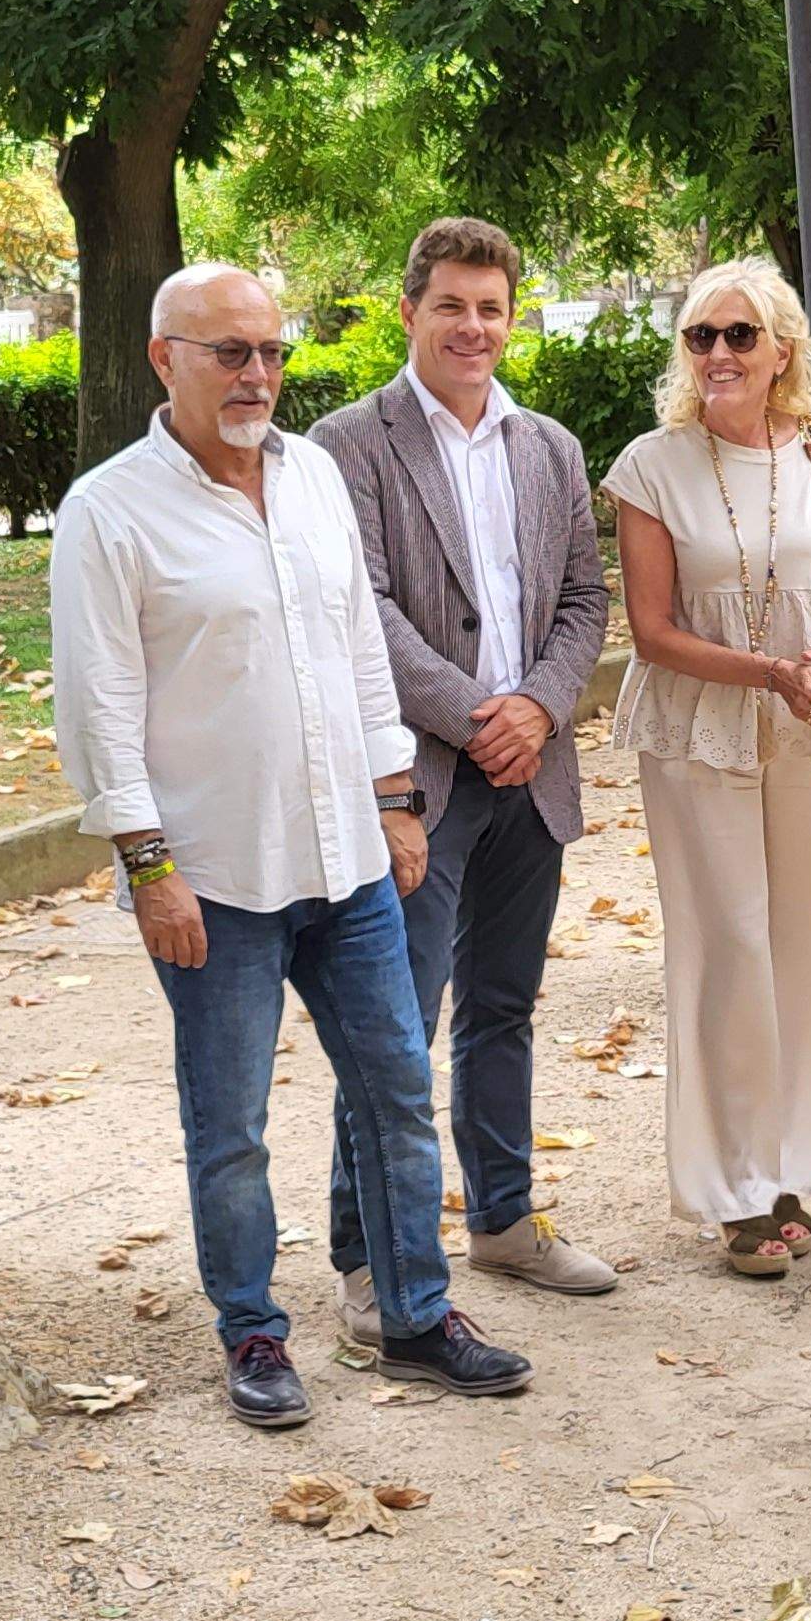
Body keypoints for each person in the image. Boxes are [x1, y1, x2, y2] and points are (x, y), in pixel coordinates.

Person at [52, 262, 534, 1425]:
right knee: (231, 1125)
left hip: (350, 858)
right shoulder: (108, 509)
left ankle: (415, 1312)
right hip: (213, 876)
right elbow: (98, 706)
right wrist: (147, 866)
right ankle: (253, 1334)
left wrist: (395, 797)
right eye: (229, 353)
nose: (256, 373)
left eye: (270, 351)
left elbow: (359, 649)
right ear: (163, 357)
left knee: (394, 1090)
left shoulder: (312, 473)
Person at [305, 218, 620, 1330]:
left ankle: (501, 1219)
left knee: (503, 1006)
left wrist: (538, 704)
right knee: (395, 1023)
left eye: (491, 307)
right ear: (410, 311)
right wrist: (476, 713)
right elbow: (362, 610)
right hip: (415, 781)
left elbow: (587, 597)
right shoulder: (346, 445)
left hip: (531, 773)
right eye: (452, 305)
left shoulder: (550, 447)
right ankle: (368, 1253)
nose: (473, 327)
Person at [601, 259, 811, 1276]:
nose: (717, 352)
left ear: (781, 350)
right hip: (701, 723)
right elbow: (653, 630)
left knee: (806, 940)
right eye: (699, 336)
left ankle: (793, 1162)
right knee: (728, 943)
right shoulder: (651, 464)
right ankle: (733, 1188)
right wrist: (770, 671)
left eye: (738, 334)